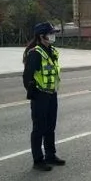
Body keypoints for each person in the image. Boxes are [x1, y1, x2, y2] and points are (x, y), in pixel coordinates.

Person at [22, 22, 64, 172]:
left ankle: (50, 155)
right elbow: (27, 76)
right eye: (50, 33)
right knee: (39, 128)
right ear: (42, 36)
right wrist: (33, 92)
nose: (53, 35)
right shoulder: (35, 53)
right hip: (40, 95)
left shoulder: (51, 51)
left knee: (50, 127)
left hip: (52, 94)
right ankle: (38, 160)